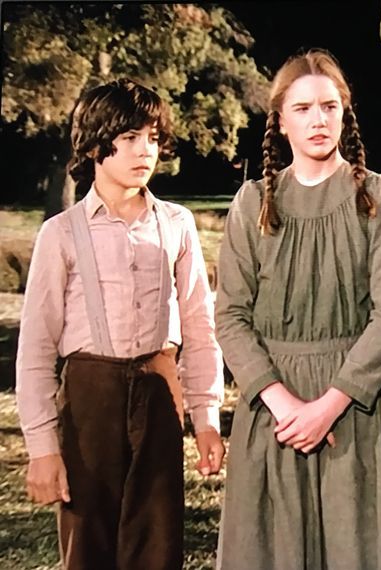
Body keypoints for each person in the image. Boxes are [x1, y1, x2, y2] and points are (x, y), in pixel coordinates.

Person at [215, 48, 381, 569]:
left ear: (344, 114)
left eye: (330, 107)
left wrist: (328, 407)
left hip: (354, 409)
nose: (318, 120)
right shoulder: (253, 203)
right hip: (276, 415)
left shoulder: (377, 196)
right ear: (280, 121)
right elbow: (230, 315)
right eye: (304, 108)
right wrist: (286, 406)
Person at [15, 78, 225, 570]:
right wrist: (42, 448)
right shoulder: (61, 233)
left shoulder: (176, 223)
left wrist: (207, 419)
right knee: (88, 543)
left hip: (159, 396)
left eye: (152, 138)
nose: (144, 150)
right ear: (95, 144)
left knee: (157, 544)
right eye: (130, 137)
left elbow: (200, 328)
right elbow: (37, 348)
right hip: (90, 401)